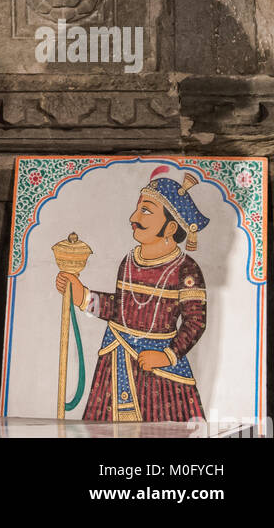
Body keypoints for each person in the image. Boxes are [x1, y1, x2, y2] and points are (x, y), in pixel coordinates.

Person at [55, 167, 209, 422]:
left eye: (145, 211)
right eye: (138, 209)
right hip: (115, 359)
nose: (133, 217)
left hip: (159, 368)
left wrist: (167, 356)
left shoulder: (186, 269)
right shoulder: (129, 260)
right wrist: (82, 296)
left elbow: (195, 322)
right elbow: (122, 309)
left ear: (171, 227)